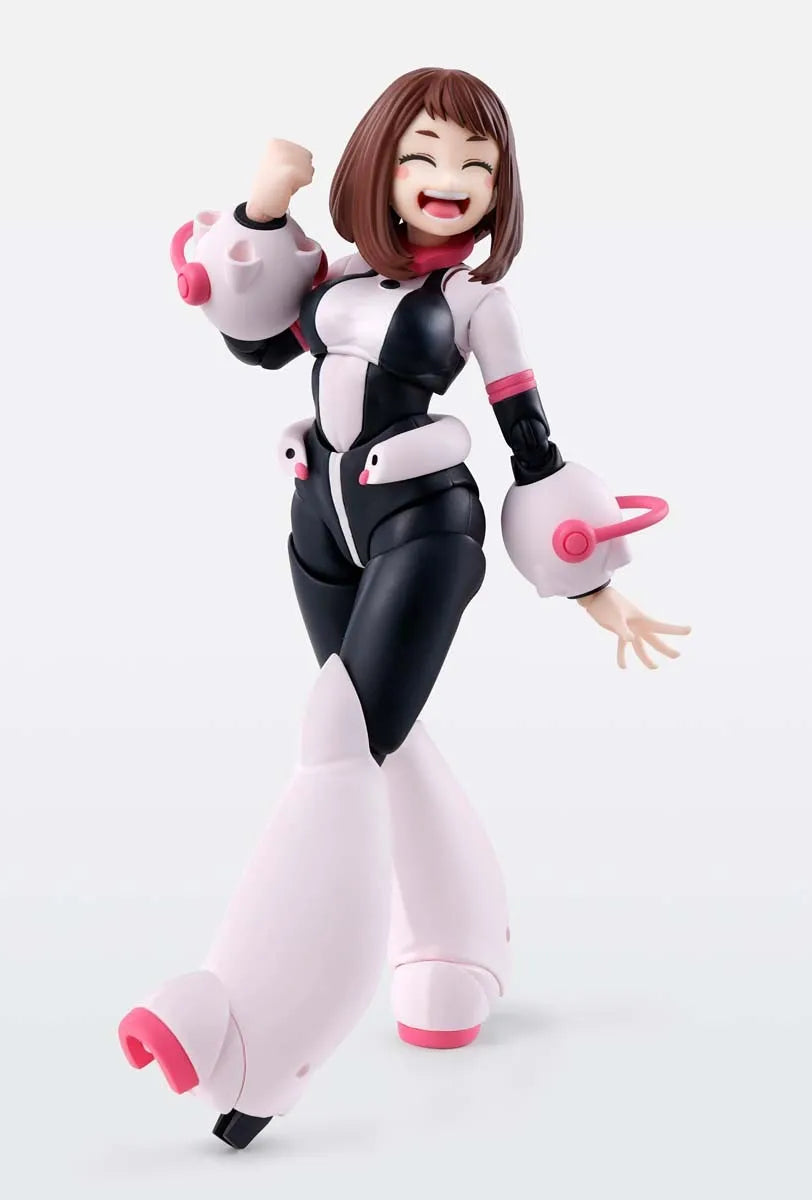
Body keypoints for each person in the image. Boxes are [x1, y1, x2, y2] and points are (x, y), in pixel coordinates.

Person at [119, 67, 690, 1150]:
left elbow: (532, 443)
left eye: (477, 163)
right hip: (320, 525)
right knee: (378, 741)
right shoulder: (335, 277)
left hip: (423, 527)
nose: (450, 179)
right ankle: (455, 946)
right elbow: (254, 343)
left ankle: (255, 1035)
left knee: (337, 738)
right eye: (426, 154)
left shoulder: (475, 305)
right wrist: (260, 212)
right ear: (380, 164)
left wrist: (594, 586)